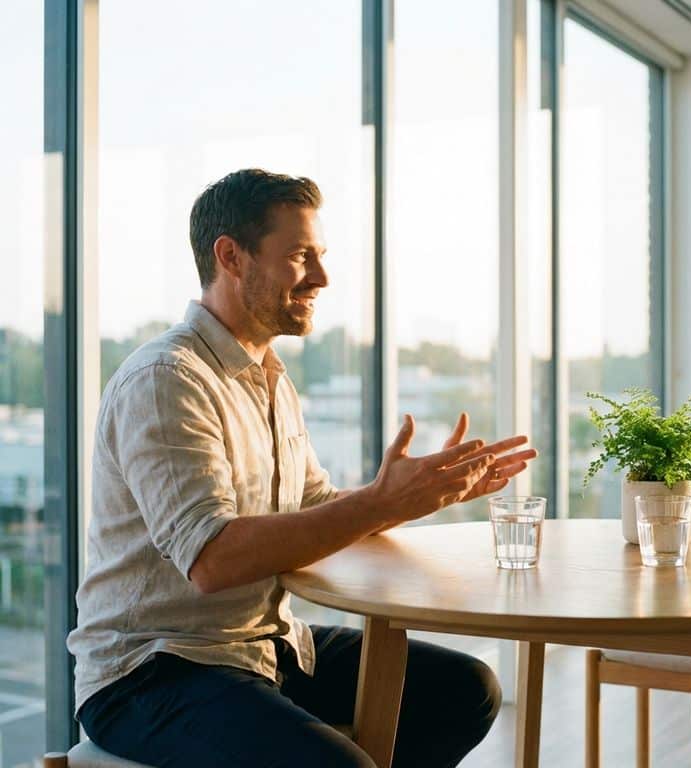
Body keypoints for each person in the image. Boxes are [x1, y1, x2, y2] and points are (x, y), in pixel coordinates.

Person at [67, 168, 537, 767]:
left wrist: (418, 496)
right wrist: (382, 502)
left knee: (465, 690)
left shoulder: (269, 378)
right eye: (299, 256)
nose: (321, 276)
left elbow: (318, 512)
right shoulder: (167, 380)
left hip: (265, 646)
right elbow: (212, 559)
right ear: (231, 257)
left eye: (319, 256)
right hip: (151, 670)